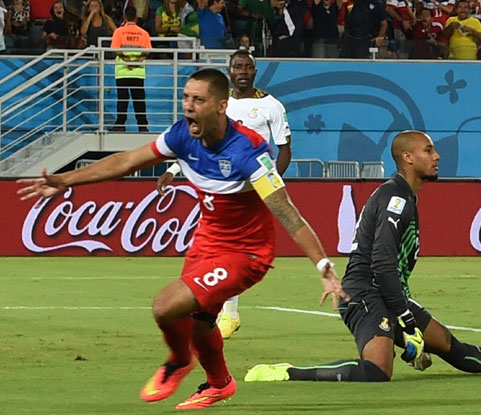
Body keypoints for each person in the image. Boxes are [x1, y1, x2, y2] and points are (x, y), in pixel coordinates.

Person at [17, 68, 347, 410]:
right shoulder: (181, 135)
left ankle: (178, 360)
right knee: (201, 326)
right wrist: (65, 180)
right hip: (207, 240)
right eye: (186, 98)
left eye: (198, 100)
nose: (188, 106)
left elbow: (288, 213)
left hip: (246, 254)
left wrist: (323, 265)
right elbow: (127, 161)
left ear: (221, 106)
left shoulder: (248, 152)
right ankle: (219, 384)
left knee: (165, 307)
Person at [243, 130, 481, 383]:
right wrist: (407, 321)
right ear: (408, 158)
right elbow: (382, 262)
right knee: (377, 371)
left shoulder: (403, 195)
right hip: (364, 294)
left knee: (450, 346)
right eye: (428, 150)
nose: (437, 156)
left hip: (389, 294)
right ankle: (287, 373)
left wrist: (406, 318)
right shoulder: (396, 198)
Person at [157, 49, 292, 339]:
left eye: (248, 67)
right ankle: (224, 312)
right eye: (237, 66)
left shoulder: (271, 105)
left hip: (252, 186)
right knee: (220, 247)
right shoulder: (217, 104)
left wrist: (271, 184)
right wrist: (173, 169)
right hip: (220, 183)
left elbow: (284, 148)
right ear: (229, 71)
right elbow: (196, 141)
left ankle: (225, 313)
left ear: (255, 71)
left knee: (236, 249)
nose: (243, 71)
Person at [109, 6, 151, 132]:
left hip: (122, 70)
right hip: (138, 71)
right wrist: (136, 62)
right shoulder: (143, 33)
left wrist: (127, 61)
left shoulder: (118, 32)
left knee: (122, 99)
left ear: (125, 17)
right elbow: (147, 52)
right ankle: (142, 126)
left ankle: (120, 124)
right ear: (136, 17)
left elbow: (116, 49)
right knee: (139, 100)